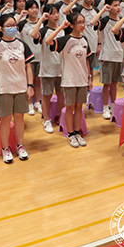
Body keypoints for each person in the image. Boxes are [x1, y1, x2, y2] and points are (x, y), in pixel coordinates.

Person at [0, 13, 35, 164]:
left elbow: (28, 66)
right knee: (5, 119)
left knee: (19, 117)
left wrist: (30, 85)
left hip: (20, 87)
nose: (12, 28)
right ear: (2, 28)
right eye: (8, 26)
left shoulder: (22, 44)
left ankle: (20, 145)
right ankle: (5, 148)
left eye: (14, 25)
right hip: (3, 88)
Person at [46, 12, 92, 148]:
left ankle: (77, 132)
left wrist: (89, 78)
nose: (82, 25)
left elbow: (87, 61)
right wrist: (61, 27)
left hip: (82, 79)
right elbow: (48, 41)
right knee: (70, 107)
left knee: (79, 107)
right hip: (69, 80)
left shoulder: (84, 40)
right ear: (72, 25)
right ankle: (70, 134)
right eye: (79, 22)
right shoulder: (65, 40)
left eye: (83, 22)